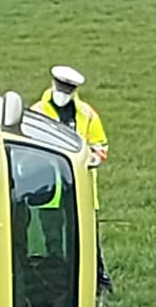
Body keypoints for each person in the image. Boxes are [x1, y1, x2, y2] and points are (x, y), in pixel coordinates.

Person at [34, 65, 112, 292]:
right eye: (61, 87)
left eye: (68, 89)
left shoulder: (87, 114)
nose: (63, 92)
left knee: (89, 240)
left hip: (80, 189)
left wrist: (95, 158)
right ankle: (59, 285)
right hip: (48, 190)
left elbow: (100, 144)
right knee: (53, 241)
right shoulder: (37, 112)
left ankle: (99, 282)